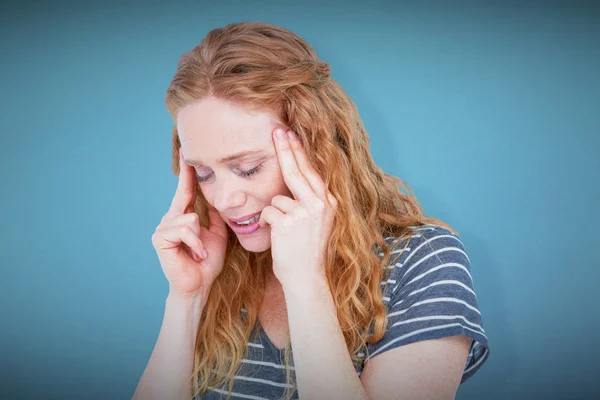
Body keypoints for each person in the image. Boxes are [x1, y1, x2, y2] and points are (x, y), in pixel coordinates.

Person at [132, 21, 490, 400]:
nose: (223, 199)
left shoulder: (423, 262)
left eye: (248, 168)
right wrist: (188, 298)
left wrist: (304, 281)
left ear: (318, 149)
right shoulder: (219, 261)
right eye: (204, 173)